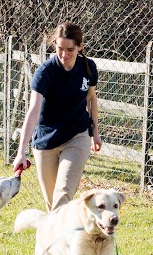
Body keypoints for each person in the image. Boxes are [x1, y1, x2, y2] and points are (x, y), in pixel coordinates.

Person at [12, 22, 102, 209]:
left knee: (63, 194)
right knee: (52, 202)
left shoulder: (88, 67)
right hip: (46, 140)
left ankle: (65, 236)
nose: (64, 54)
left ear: (80, 47)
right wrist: (21, 150)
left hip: (77, 136)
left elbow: (91, 98)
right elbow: (34, 109)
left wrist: (95, 133)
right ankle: (55, 236)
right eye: (60, 48)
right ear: (55, 45)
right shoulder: (46, 72)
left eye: (70, 49)